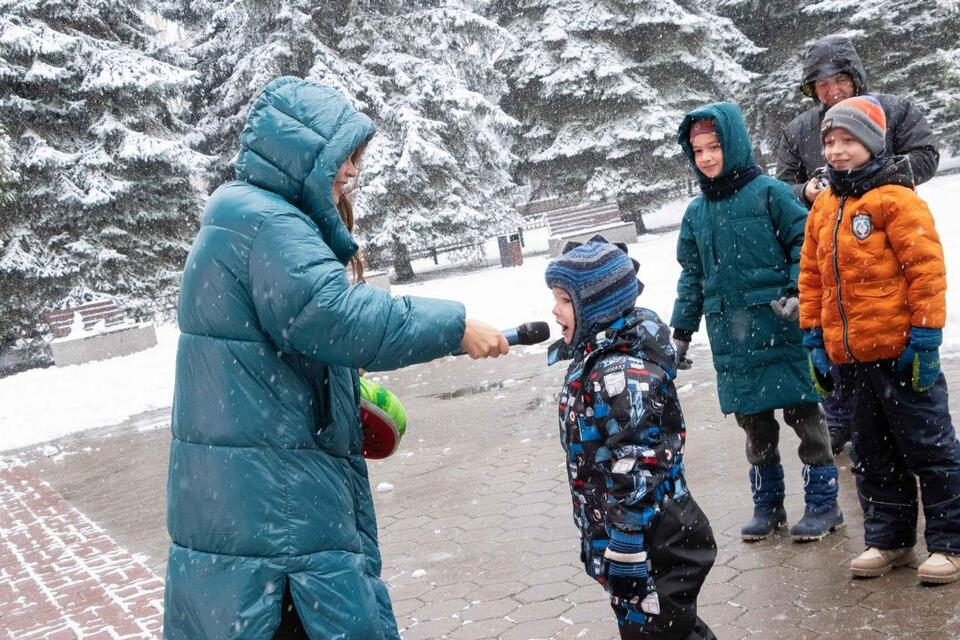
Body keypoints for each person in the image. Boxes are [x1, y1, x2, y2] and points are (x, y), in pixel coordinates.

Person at [162, 76, 509, 639]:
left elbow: (294, 335)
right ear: (298, 155)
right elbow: (334, 314)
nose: (350, 172)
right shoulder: (269, 223)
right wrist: (456, 326)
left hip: (250, 495)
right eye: (341, 158)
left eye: (355, 158)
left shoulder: (242, 217)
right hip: (278, 508)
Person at [799, 95, 960, 584]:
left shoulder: (896, 198)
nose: (837, 150)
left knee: (929, 448)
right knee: (871, 455)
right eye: (829, 141)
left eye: (848, 140)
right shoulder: (824, 206)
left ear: (871, 143)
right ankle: (889, 539)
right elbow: (811, 278)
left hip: (901, 353)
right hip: (850, 359)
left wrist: (926, 339)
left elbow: (926, 272)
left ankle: (951, 542)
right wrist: (813, 339)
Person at [671, 102, 843, 543]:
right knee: (754, 425)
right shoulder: (696, 213)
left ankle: (825, 503)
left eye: (715, 147)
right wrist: (682, 332)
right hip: (732, 337)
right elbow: (692, 276)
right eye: (698, 150)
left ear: (735, 145)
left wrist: (794, 291)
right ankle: (768, 504)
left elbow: (805, 244)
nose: (707, 157)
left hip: (781, 327)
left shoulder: (769, 192)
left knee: (806, 417)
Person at [776, 34, 940, 455]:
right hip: (825, 242)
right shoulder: (799, 130)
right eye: (821, 85)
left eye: (838, 80)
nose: (831, 90)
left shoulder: (895, 110)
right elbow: (783, 183)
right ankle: (846, 426)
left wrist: (871, 179)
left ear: (854, 77)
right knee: (840, 335)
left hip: (887, 241)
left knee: (893, 352)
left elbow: (925, 155)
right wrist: (806, 191)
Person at [546, 237, 716, 640]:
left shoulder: (619, 372)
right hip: (635, 536)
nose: (554, 311)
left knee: (657, 632)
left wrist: (625, 543)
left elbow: (640, 463)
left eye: (564, 301)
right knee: (668, 629)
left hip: (651, 538)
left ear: (597, 308)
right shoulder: (597, 357)